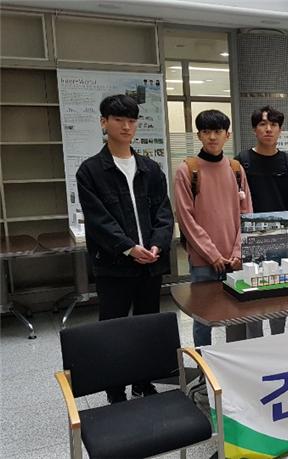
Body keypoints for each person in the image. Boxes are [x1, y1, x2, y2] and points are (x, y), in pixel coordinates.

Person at [77, 94, 173, 404]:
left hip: (151, 263)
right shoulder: (90, 171)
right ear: (103, 122)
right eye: (119, 120)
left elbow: (164, 212)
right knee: (114, 327)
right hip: (114, 265)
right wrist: (129, 248)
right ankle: (115, 389)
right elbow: (98, 220)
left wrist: (157, 244)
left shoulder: (150, 168)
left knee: (148, 326)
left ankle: (143, 383)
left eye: (132, 120)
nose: (126, 126)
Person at [174, 110, 252, 346]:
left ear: (227, 135)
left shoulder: (236, 169)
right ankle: (202, 362)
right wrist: (212, 254)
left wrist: (238, 252)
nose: (212, 137)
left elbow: (247, 214)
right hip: (203, 261)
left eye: (218, 131)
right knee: (203, 316)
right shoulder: (188, 170)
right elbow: (186, 218)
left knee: (237, 313)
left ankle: (233, 359)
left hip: (235, 260)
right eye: (206, 131)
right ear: (198, 135)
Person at [235, 106, 288, 337]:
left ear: (280, 129)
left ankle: (278, 341)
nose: (268, 129)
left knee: (280, 294)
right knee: (254, 294)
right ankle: (255, 343)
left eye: (273, 124)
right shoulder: (241, 162)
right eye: (263, 124)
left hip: (282, 235)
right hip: (251, 235)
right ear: (254, 129)